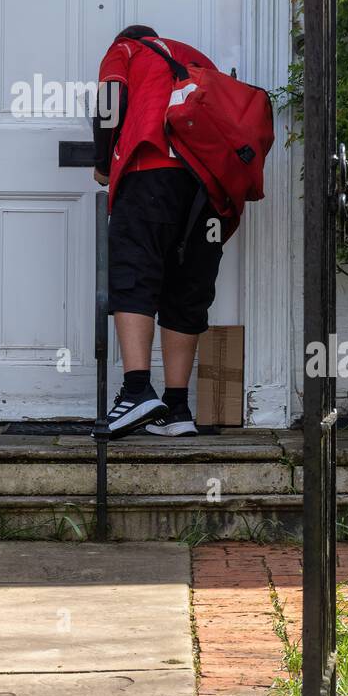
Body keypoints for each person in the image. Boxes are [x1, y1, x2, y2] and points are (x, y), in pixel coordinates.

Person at [91, 24, 224, 438]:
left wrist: (102, 161)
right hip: (206, 187)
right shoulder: (196, 56)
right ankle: (177, 407)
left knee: (134, 271)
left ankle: (136, 391)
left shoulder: (127, 49)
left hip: (150, 173)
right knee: (187, 284)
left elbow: (110, 100)